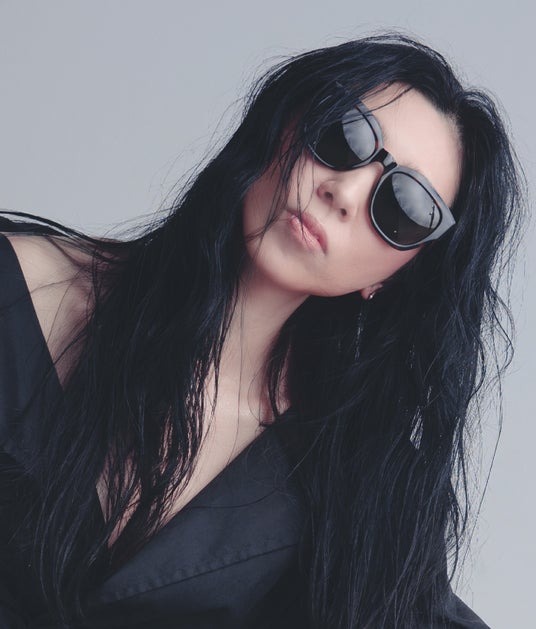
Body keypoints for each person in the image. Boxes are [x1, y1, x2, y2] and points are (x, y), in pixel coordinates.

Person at [0, 33, 524, 628]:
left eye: (405, 208)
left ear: (395, 275)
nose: (345, 192)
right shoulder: (19, 288)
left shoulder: (355, 482)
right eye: (345, 135)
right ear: (282, 124)